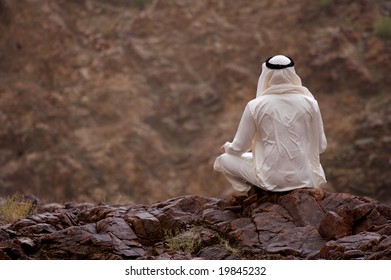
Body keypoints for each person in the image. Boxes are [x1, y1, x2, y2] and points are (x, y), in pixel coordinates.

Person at [214, 55, 327, 195]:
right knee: (251, 158)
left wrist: (227, 147)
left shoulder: (255, 106)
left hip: (270, 181)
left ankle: (252, 192)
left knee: (224, 159)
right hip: (304, 179)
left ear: (266, 75)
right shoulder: (311, 103)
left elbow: (239, 147)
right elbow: (321, 146)